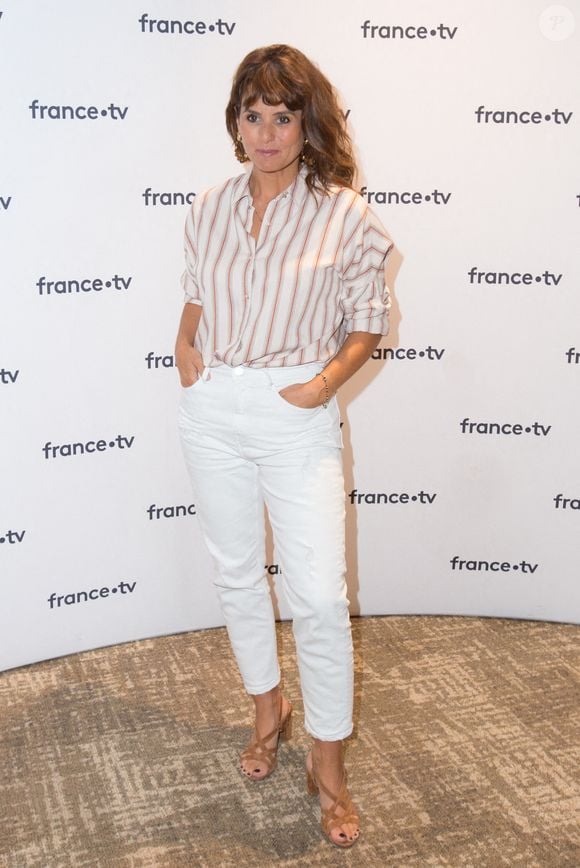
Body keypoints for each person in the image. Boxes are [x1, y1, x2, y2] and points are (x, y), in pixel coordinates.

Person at [175, 44, 393, 849]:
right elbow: (196, 292)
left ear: (309, 123)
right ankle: (267, 706)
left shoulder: (346, 214)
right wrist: (185, 347)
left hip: (294, 407)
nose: (265, 132)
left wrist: (320, 384)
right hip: (213, 407)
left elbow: (369, 319)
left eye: (283, 115)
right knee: (235, 571)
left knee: (320, 597)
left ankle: (328, 763)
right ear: (235, 122)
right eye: (252, 114)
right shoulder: (207, 205)